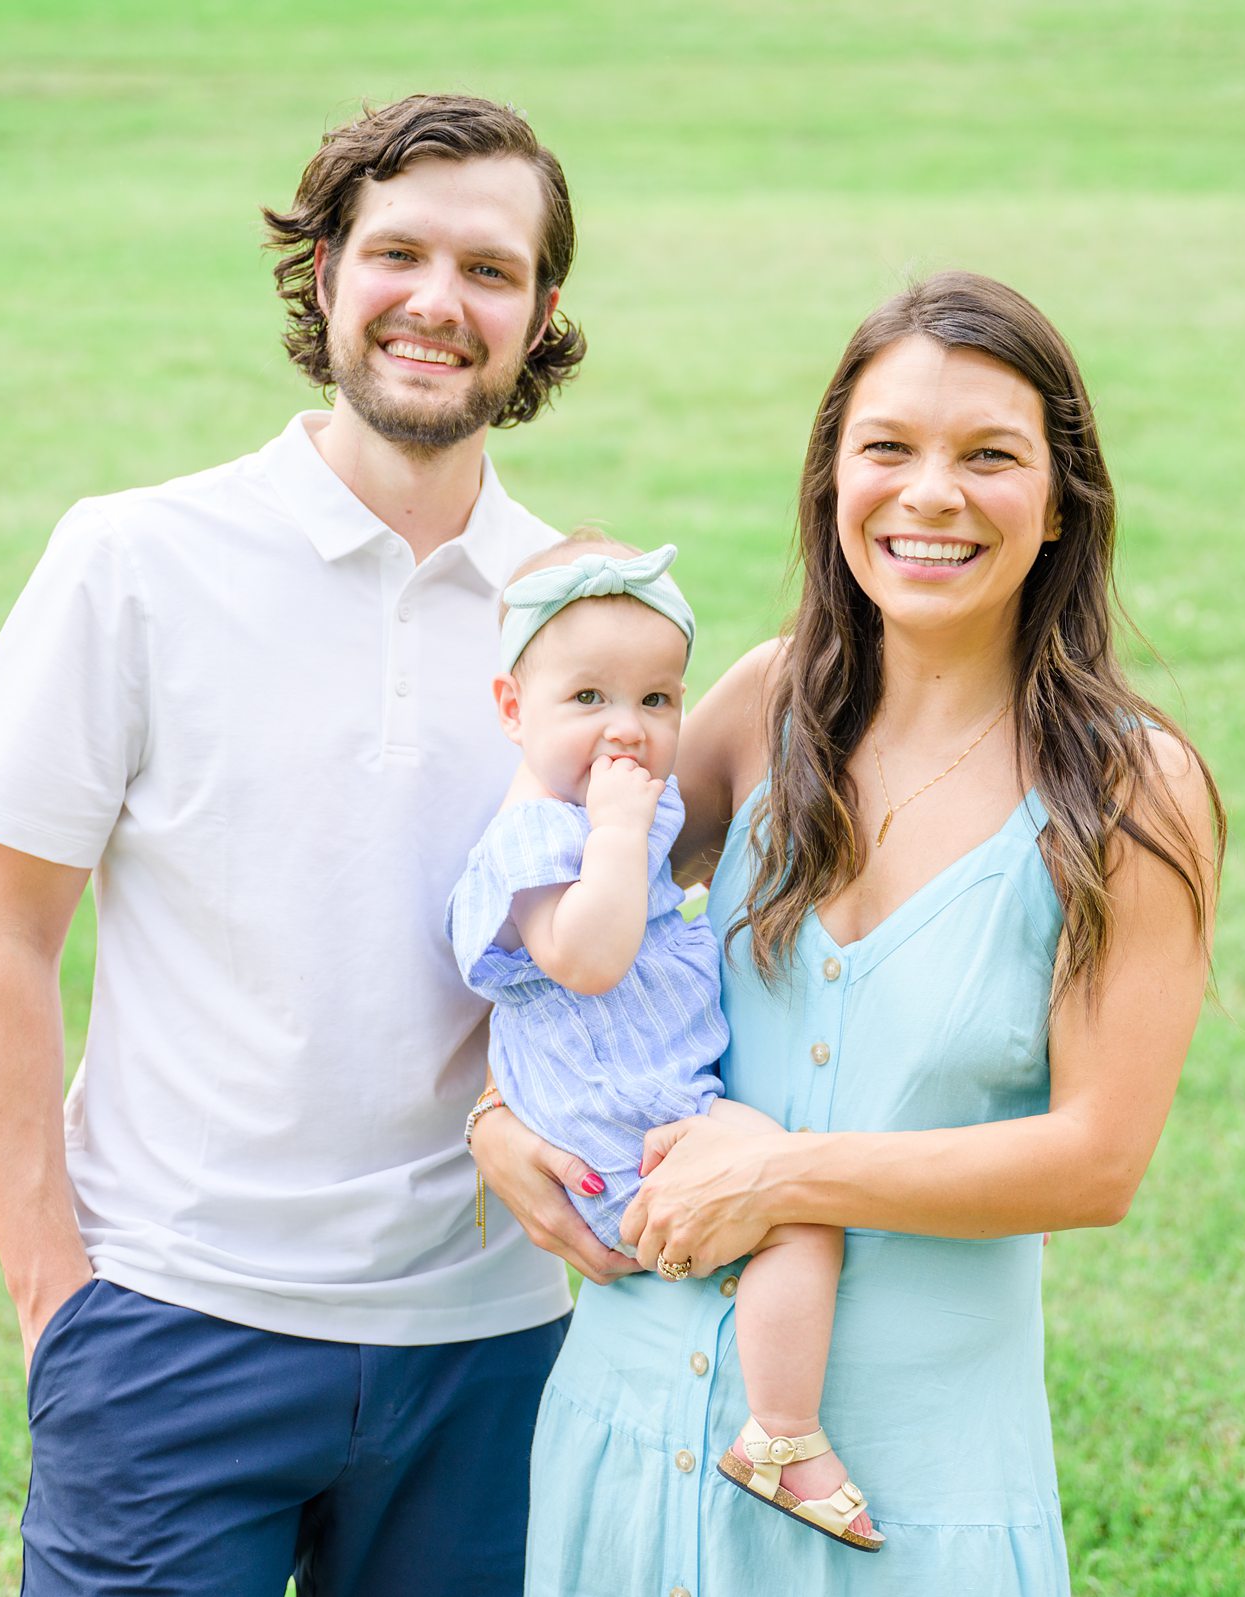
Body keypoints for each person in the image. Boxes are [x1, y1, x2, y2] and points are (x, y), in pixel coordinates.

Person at [0, 94, 613, 1596]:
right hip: (175, 1329)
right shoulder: (136, 558)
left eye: (490, 270)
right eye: (398, 254)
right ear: (326, 276)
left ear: (541, 310)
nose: (438, 302)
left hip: (491, 1349)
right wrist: (57, 1302)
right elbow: (2, 937)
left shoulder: (576, 615)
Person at [473, 270, 1225, 1595]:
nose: (930, 493)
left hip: (908, 1492)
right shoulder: (766, 704)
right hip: (630, 1428)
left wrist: (784, 1179)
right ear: (833, 481)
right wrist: (494, 1113)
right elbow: (548, 896)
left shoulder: (1128, 789)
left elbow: (1097, 1162)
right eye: (888, 449)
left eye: (988, 456)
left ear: (1062, 503)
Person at [448, 538, 882, 1555]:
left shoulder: (609, 810)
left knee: (790, 1198)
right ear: (514, 709)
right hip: (618, 1121)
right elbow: (588, 957)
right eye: (588, 697)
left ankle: (773, 1426)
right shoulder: (541, 837)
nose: (627, 731)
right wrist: (614, 833)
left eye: (656, 700)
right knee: (798, 1213)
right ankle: (781, 1435)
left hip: (646, 1095)